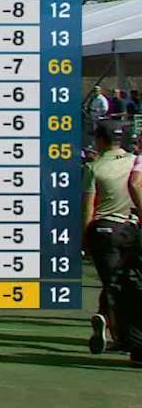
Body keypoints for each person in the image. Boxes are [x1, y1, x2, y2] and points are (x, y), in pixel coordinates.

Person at [84, 118, 142, 358]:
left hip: (103, 230)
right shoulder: (134, 162)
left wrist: (84, 238)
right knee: (125, 284)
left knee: (113, 285)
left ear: (99, 140)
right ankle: (113, 327)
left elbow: (87, 208)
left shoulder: (94, 167)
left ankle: (115, 330)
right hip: (130, 228)